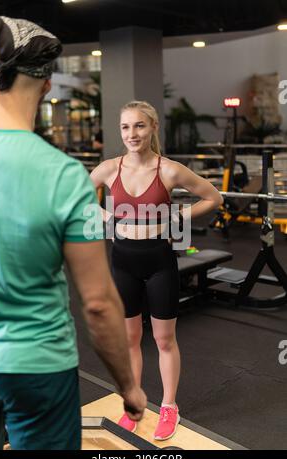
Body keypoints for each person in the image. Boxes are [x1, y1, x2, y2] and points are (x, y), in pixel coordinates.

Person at [0, 16, 146, 450]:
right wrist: (128, 387)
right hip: (37, 365)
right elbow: (97, 304)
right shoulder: (65, 177)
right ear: (45, 85)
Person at [90, 100, 223, 441]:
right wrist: (107, 218)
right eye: (125, 127)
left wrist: (177, 217)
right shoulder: (108, 169)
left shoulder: (169, 170)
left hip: (159, 261)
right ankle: (133, 405)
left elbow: (213, 197)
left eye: (139, 126)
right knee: (130, 339)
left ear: (152, 129)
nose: (132, 134)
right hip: (122, 260)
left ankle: (168, 406)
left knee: (164, 340)